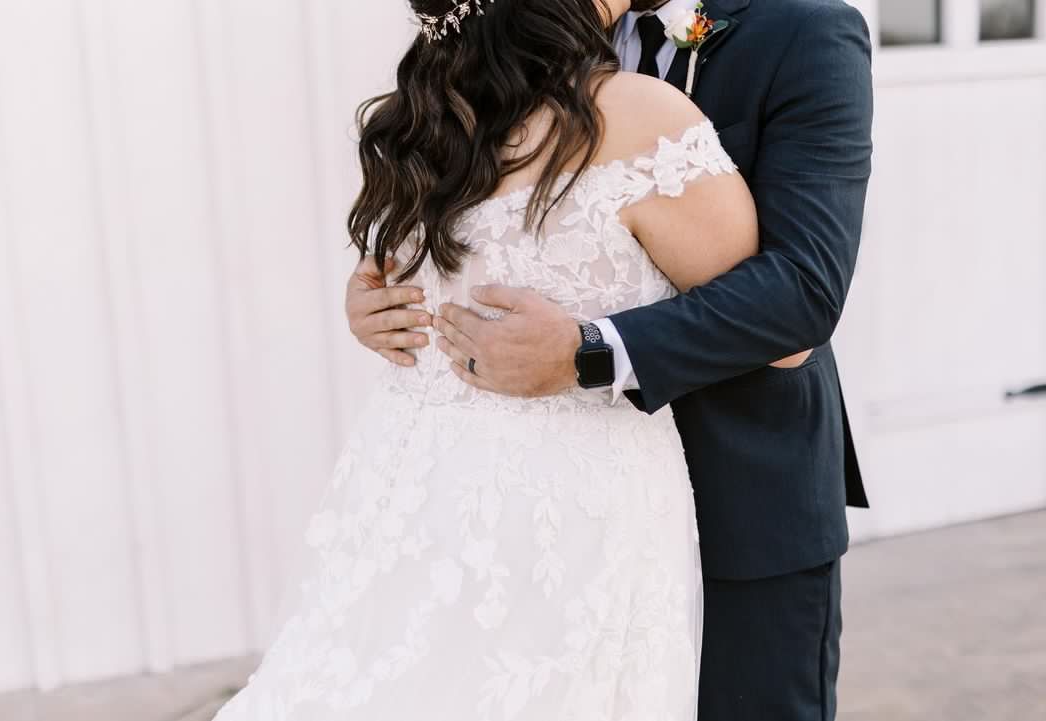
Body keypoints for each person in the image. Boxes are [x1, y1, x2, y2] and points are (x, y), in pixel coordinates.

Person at [215, 0, 771, 718]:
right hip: (569, 510)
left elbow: (416, 274)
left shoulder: (424, 123)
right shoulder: (637, 116)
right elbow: (778, 326)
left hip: (414, 490)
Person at [346, 0, 874, 719]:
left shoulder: (805, 31)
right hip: (561, 530)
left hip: (746, 500)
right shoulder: (527, 37)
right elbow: (492, 221)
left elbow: (804, 291)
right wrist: (393, 289)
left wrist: (589, 353)